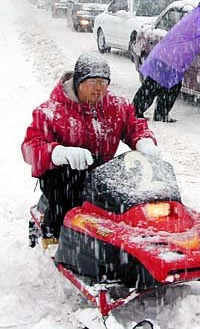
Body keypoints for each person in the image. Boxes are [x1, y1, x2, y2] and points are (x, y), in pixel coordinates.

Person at [22, 53, 160, 245]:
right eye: (93, 81)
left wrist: (144, 141)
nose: (99, 88)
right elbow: (30, 147)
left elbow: (134, 126)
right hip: (64, 177)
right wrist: (59, 153)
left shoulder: (117, 106)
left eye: (104, 82)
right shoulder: (51, 111)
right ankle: (53, 235)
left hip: (101, 171)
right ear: (78, 82)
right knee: (66, 186)